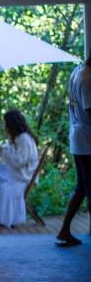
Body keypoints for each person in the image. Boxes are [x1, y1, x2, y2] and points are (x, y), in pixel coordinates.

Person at [56, 52, 91, 246]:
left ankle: (64, 229)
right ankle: (64, 229)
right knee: (87, 188)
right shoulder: (88, 78)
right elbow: (89, 109)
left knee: (82, 187)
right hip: (87, 140)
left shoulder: (77, 71)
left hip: (78, 136)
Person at [0, 109, 38, 227]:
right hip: (16, 172)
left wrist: (1, 151)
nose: (3, 124)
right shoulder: (16, 137)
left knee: (4, 188)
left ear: (11, 123)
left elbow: (20, 162)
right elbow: (9, 151)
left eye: (4, 122)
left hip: (24, 175)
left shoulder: (24, 138)